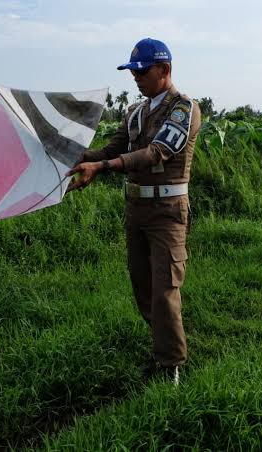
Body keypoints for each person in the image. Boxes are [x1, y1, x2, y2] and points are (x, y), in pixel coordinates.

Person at [66, 38, 201, 385]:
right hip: (137, 208)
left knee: (165, 287)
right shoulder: (136, 112)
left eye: (142, 71)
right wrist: (81, 158)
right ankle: (161, 350)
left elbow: (157, 152)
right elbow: (116, 146)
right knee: (142, 285)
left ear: (164, 70)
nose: (136, 77)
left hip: (167, 211)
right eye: (133, 71)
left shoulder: (183, 108)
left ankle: (171, 366)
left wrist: (106, 167)